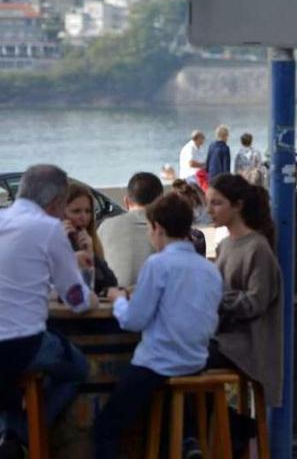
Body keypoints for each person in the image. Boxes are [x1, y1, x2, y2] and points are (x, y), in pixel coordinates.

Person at [93, 194, 222, 459]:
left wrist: (118, 300)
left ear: (157, 229)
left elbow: (133, 321)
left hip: (159, 363)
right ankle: (186, 441)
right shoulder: (208, 269)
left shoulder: (158, 264)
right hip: (197, 361)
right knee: (162, 412)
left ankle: (180, 441)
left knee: (105, 427)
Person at [0, 165, 94, 457]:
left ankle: (10, 437)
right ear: (56, 203)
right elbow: (76, 299)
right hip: (22, 345)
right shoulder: (48, 228)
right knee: (79, 368)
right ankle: (30, 431)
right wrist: (90, 291)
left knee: (10, 386)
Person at [206, 174, 284, 409]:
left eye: (217, 203)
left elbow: (256, 302)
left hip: (245, 344)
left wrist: (216, 298)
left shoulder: (257, 247)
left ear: (237, 206)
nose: (209, 210)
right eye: (208, 202)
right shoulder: (225, 245)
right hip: (224, 337)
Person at [98, 172, 164, 288]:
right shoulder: (169, 230)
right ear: (161, 201)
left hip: (113, 298)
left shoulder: (105, 226)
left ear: (126, 201)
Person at [65, 182, 118, 296]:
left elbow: (111, 283)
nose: (83, 217)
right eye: (76, 211)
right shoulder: (52, 241)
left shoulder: (90, 240)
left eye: (88, 211)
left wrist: (91, 255)